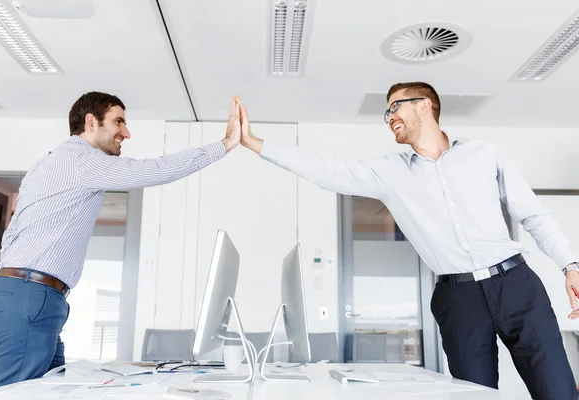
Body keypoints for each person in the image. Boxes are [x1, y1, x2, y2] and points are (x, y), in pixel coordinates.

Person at [236, 83, 579, 399]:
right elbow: (329, 170)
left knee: (557, 389)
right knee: (474, 395)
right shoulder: (391, 172)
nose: (389, 118)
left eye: (395, 107)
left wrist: (569, 265)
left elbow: (534, 215)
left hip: (516, 285)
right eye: (387, 112)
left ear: (424, 106)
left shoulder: (484, 154)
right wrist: (255, 143)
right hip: (458, 298)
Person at [0, 92, 242, 391]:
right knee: (8, 395)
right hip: (29, 296)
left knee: (53, 389)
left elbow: (13, 233)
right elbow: (153, 170)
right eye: (118, 121)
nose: (126, 132)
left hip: (25, 295)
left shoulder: (51, 161)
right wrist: (224, 145)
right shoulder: (81, 160)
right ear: (91, 122)